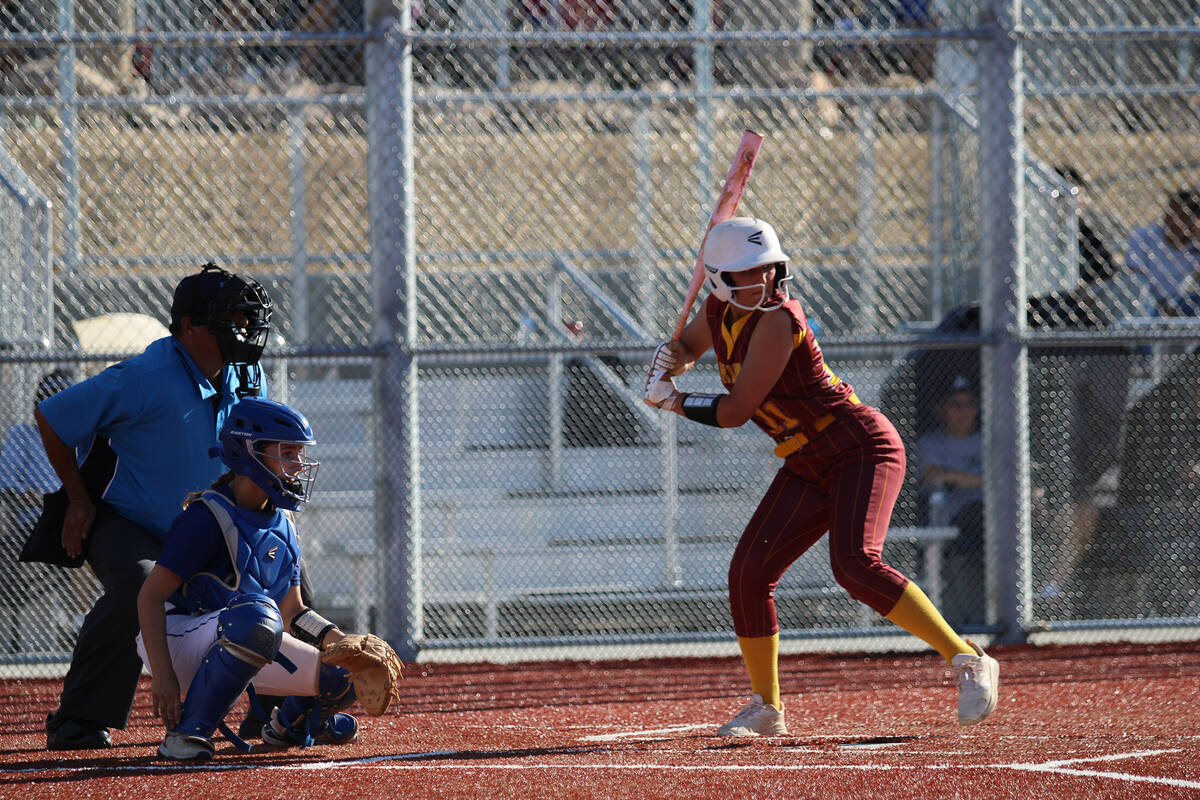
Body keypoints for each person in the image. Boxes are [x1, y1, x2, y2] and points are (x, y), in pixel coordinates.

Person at [642, 216, 999, 736]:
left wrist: (672, 401)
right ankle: (766, 707)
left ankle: (968, 658)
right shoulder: (719, 307)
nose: (763, 280)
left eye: (768, 269)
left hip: (858, 445)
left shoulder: (778, 320)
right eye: (748, 272)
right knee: (748, 573)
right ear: (717, 279)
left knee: (854, 564)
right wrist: (671, 356)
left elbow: (738, 410)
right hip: (806, 457)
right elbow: (691, 346)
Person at [36, 263, 272, 750]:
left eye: (247, 320)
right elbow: (52, 418)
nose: (244, 331)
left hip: (205, 522)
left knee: (278, 567)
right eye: (230, 320)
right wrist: (78, 498)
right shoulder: (144, 376)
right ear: (188, 327)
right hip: (129, 520)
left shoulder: (248, 373)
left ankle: (282, 709)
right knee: (140, 585)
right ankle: (77, 719)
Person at [137, 397, 361, 761]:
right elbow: (149, 597)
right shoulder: (207, 516)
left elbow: (292, 611)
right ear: (249, 451)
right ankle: (186, 733)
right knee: (255, 616)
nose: (299, 464)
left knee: (347, 669)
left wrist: (341, 641)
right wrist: (162, 675)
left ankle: (292, 725)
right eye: (288, 452)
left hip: (247, 633)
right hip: (178, 638)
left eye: (300, 453)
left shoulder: (284, 521)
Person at [913, 374, 984, 628]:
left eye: (969, 404)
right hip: (958, 516)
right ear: (941, 411)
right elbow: (933, 475)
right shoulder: (931, 442)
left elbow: (1014, 478)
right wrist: (989, 482)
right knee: (977, 512)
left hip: (997, 516)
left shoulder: (988, 441)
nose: (964, 412)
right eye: (956, 405)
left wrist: (962, 478)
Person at [1124, 188, 1200, 316]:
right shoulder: (1144, 236)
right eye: (1169, 213)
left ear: (1193, 221)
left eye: (1179, 216)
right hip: (1147, 300)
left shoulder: (1195, 247)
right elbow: (1135, 275)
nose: (1169, 220)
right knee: (1135, 285)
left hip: (1179, 302)